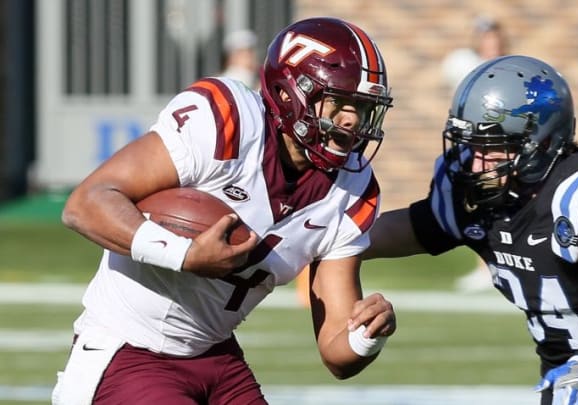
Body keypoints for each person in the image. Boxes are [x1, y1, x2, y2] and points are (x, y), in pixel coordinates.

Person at [52, 17, 397, 405]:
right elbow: (86, 203)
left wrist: (367, 334)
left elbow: (336, 352)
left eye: (364, 108)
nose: (352, 121)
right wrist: (183, 254)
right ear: (291, 94)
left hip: (216, 356)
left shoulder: (352, 188)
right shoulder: (227, 122)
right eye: (340, 103)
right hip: (129, 348)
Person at [365, 55, 578, 404]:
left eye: (492, 147)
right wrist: (323, 238)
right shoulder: (477, 194)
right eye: (471, 144)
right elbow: (408, 229)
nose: (477, 162)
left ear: (543, 143)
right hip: (561, 386)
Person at [442, 16, 508, 292]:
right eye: (485, 38)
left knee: (498, 202)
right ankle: (484, 265)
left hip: (502, 147)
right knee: (475, 201)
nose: (490, 43)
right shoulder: (468, 66)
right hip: (475, 145)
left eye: (493, 37)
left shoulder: (510, 68)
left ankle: (498, 264)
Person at [441, 16, 507, 90]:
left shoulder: (509, 64)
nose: (494, 42)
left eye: (496, 37)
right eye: (488, 38)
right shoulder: (463, 60)